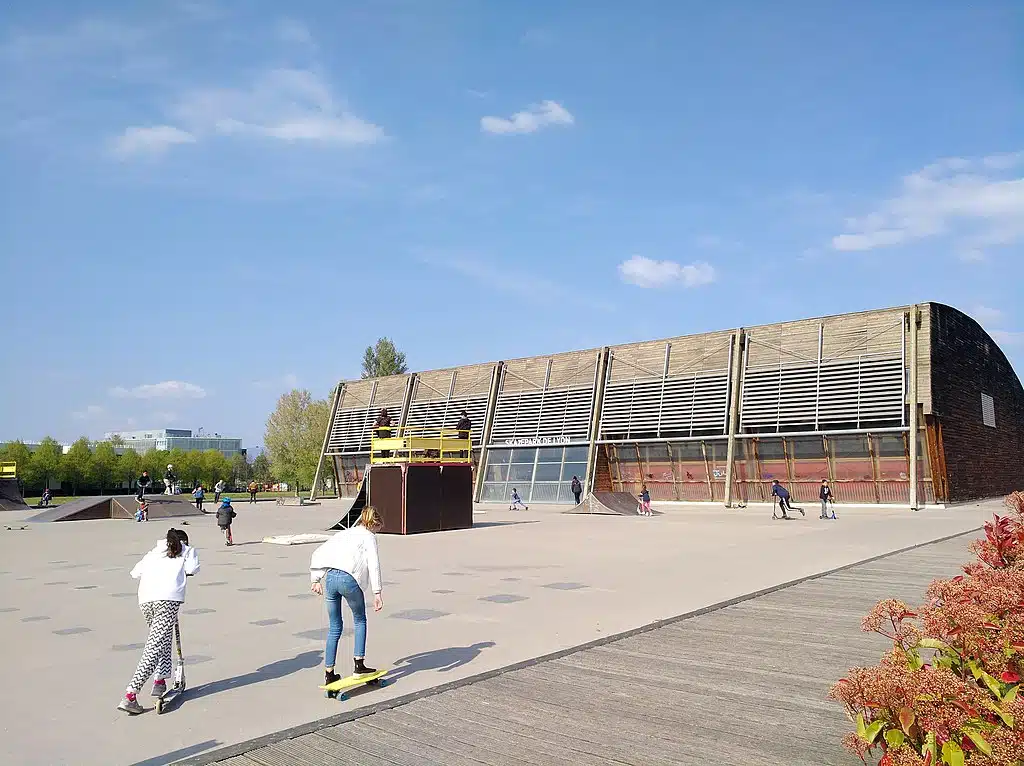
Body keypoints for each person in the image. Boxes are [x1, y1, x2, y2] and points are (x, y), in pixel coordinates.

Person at [117, 527, 200, 714]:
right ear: (184, 541)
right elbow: (193, 569)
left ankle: (160, 680)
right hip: (168, 600)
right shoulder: (187, 550)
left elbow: (135, 572)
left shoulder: (154, 552)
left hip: (146, 600)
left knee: (162, 639)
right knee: (153, 648)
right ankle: (131, 695)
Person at [309, 506, 385, 689]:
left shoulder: (345, 533)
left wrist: (315, 578)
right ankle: (359, 665)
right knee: (360, 620)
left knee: (335, 627)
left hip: (331, 579)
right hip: (349, 580)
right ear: (374, 524)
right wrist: (377, 592)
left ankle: (329, 673)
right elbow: (373, 564)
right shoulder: (368, 537)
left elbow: (320, 552)